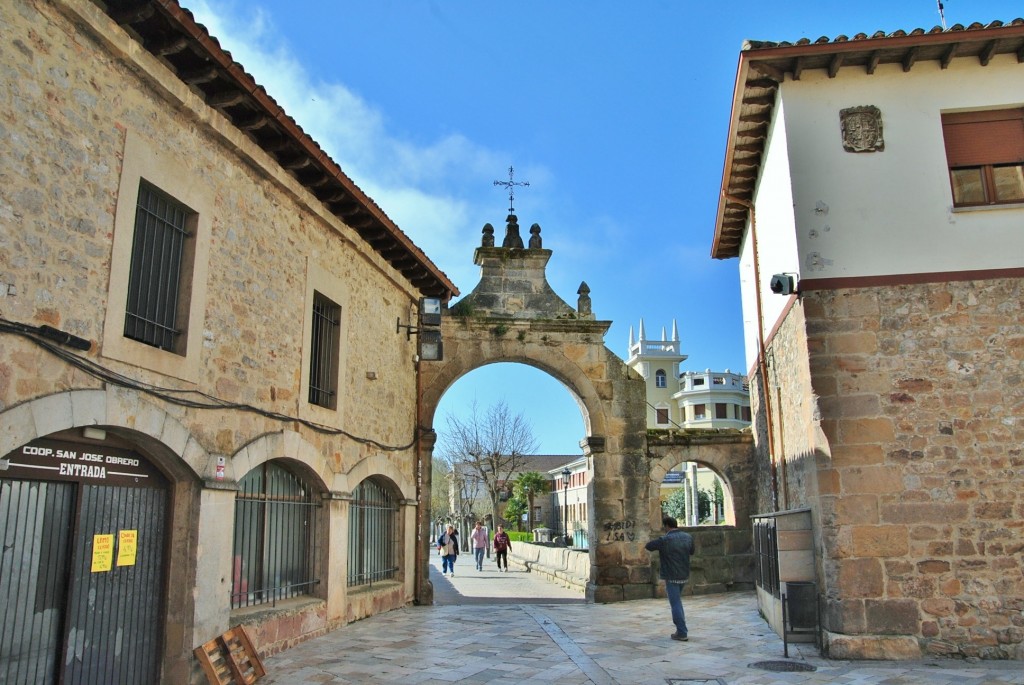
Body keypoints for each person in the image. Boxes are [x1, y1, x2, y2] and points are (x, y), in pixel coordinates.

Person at [645, 516, 695, 642]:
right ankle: (681, 630)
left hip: (671, 575)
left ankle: (682, 632)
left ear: (667, 526)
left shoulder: (665, 539)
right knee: (678, 601)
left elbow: (649, 546)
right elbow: (692, 551)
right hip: (684, 573)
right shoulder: (688, 537)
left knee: (675, 603)